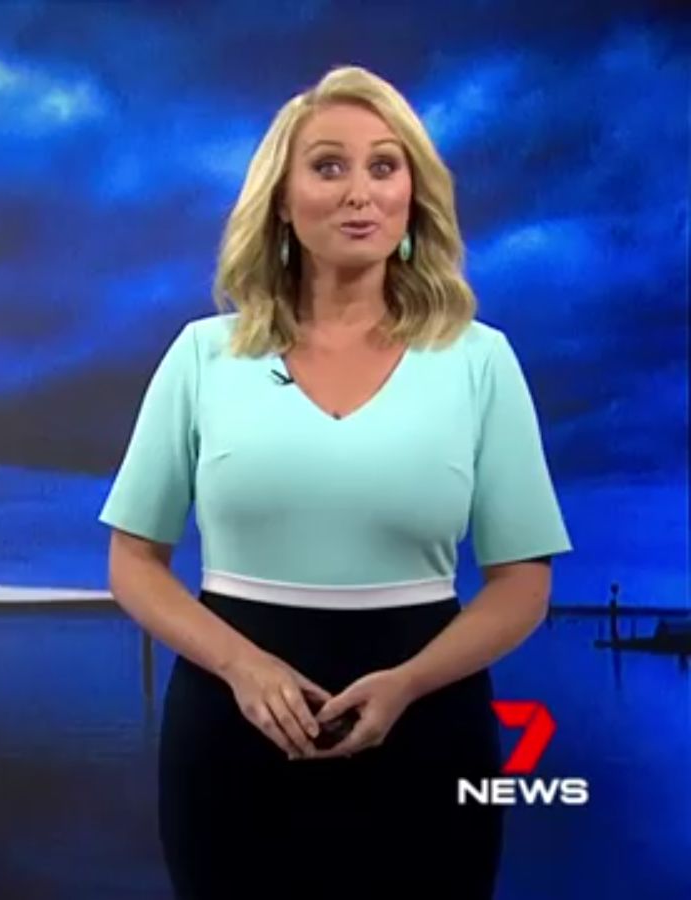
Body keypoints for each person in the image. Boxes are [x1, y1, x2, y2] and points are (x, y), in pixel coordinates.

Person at [99, 65, 572, 900]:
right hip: (232, 732)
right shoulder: (203, 356)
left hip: (429, 727)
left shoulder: (480, 360)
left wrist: (409, 682)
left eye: (384, 167)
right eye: (328, 166)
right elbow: (133, 563)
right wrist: (243, 667)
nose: (360, 192)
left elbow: (522, 583)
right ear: (282, 201)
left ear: (412, 197)